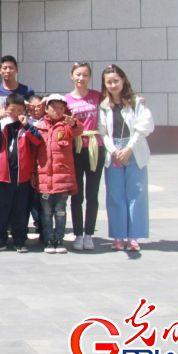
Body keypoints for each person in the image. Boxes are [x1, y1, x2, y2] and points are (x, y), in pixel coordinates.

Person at [98, 64, 154, 253]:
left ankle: (133, 237)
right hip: (114, 151)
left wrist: (129, 148)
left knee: (136, 193)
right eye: (109, 82)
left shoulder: (136, 102)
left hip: (134, 150)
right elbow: (103, 132)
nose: (113, 85)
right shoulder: (104, 106)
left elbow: (143, 126)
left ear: (123, 80)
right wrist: (114, 151)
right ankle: (118, 236)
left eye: (116, 80)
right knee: (115, 194)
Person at [0, 94, 42, 254]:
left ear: (24, 110)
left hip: (22, 175)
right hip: (3, 174)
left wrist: (27, 126)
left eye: (19, 110)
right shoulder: (1, 123)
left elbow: (38, 141)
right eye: (12, 110)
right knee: (0, 209)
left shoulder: (28, 125)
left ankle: (19, 240)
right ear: (6, 109)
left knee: (21, 209)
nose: (16, 113)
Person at [33, 94, 82, 254]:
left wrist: (74, 123)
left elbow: (79, 130)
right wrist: (33, 174)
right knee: (46, 213)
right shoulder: (39, 127)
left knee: (60, 212)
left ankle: (59, 240)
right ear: (46, 109)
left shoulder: (67, 126)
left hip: (62, 179)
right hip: (44, 178)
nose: (57, 110)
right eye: (53, 107)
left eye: (61, 108)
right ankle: (48, 240)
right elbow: (33, 153)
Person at [66, 62, 104, 251]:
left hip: (96, 147)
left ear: (90, 77)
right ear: (72, 76)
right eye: (78, 74)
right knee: (76, 194)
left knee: (92, 194)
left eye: (85, 75)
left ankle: (89, 234)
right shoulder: (66, 100)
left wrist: (136, 100)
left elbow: (117, 100)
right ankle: (78, 234)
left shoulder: (97, 96)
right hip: (76, 148)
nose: (81, 78)